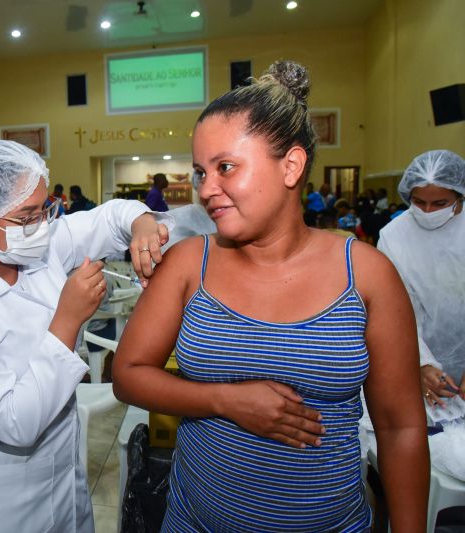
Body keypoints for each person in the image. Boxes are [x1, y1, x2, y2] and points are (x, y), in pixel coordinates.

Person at [113, 60, 429, 531]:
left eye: (225, 167)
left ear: (292, 165)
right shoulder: (188, 264)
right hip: (196, 521)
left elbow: (401, 427)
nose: (206, 189)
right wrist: (226, 401)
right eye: (200, 172)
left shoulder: (365, 274)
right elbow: (128, 374)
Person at [0, 139, 170, 532]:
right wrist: (67, 320)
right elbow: (14, 422)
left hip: (63, 475)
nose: (39, 227)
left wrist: (143, 226)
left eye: (43, 210)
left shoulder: (36, 247)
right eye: (25, 217)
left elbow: (112, 217)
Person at [377, 150, 465, 408]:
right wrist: (422, 363)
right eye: (418, 202)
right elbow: (396, 309)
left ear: (460, 195)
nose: (427, 211)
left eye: (439, 204)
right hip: (412, 355)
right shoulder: (394, 236)